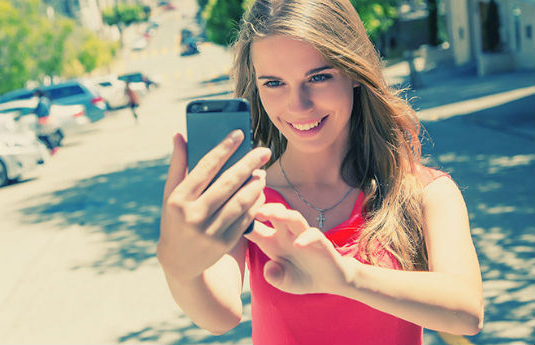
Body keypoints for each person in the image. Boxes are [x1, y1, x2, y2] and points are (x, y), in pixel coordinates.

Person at [157, 0, 484, 344]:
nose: (298, 105)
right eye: (273, 83)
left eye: (318, 77)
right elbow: (219, 316)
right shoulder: (249, 196)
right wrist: (177, 264)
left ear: (355, 73)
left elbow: (466, 311)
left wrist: (344, 277)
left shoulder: (425, 191)